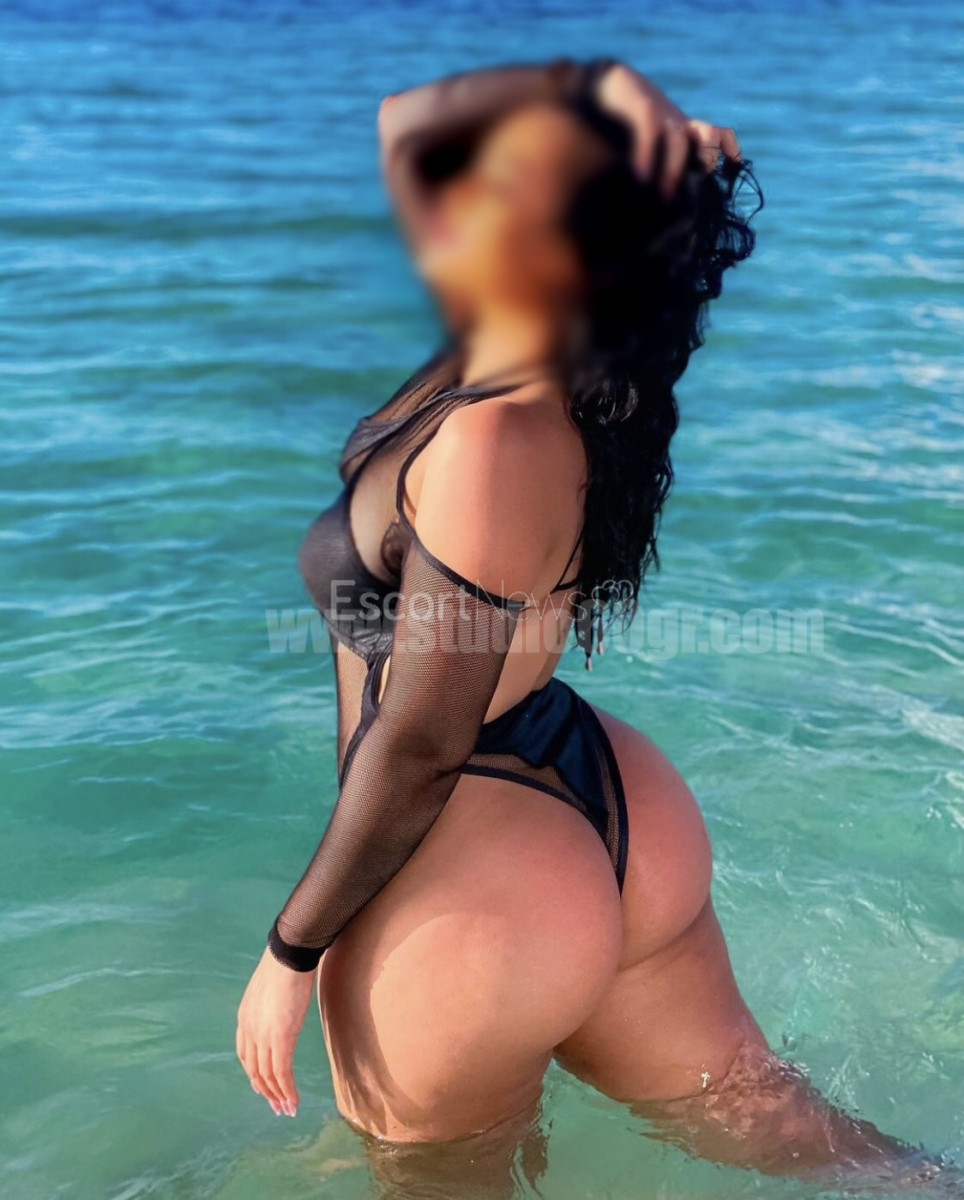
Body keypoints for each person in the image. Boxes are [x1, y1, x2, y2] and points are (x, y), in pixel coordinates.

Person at [236, 58, 951, 1194]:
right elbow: (402, 120)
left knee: (436, 1182)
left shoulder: (494, 433)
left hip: (477, 860)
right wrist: (607, 88)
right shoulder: (532, 361)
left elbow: (419, 742)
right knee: (802, 1140)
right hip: (605, 802)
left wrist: (290, 952)